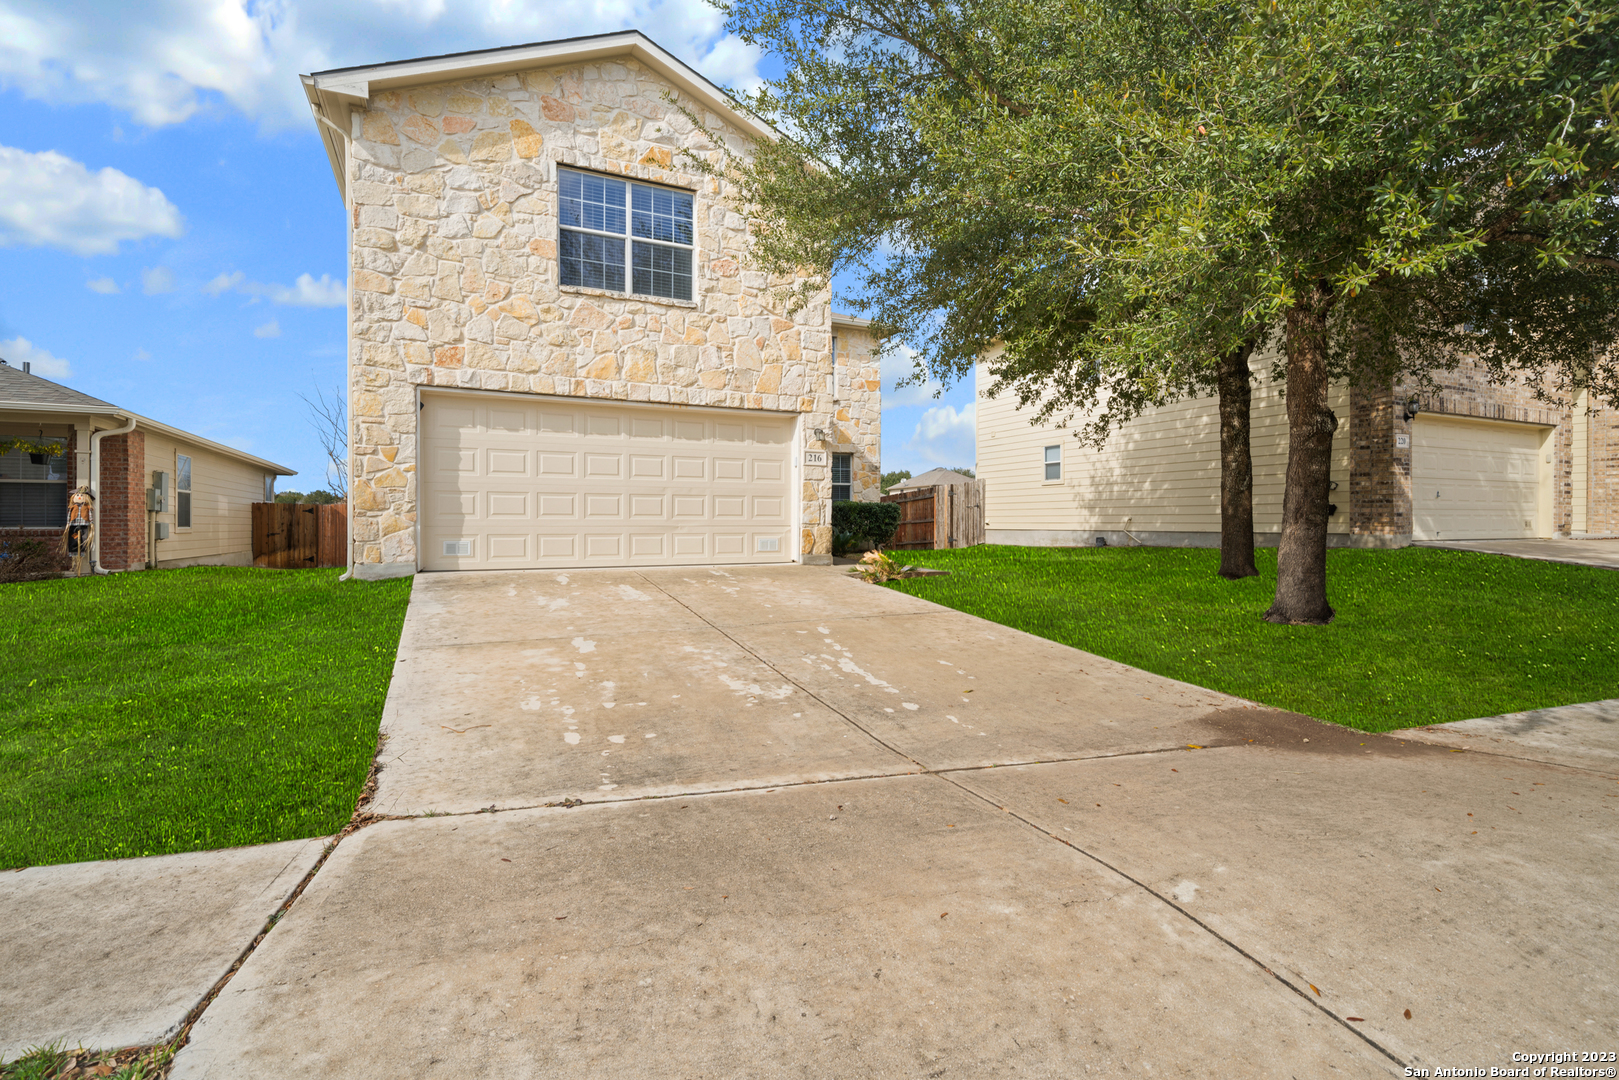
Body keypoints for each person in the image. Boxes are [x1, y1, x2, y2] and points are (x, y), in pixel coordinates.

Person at [64, 484, 94, 574]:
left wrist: (91, 523)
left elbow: (90, 515)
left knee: (84, 538)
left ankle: (82, 551)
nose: (79, 497)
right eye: (78, 495)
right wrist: (68, 523)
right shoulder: (72, 507)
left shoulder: (87, 507)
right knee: (74, 538)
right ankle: (74, 551)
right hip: (74, 525)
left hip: (84, 524)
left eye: (81, 495)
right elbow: (69, 515)